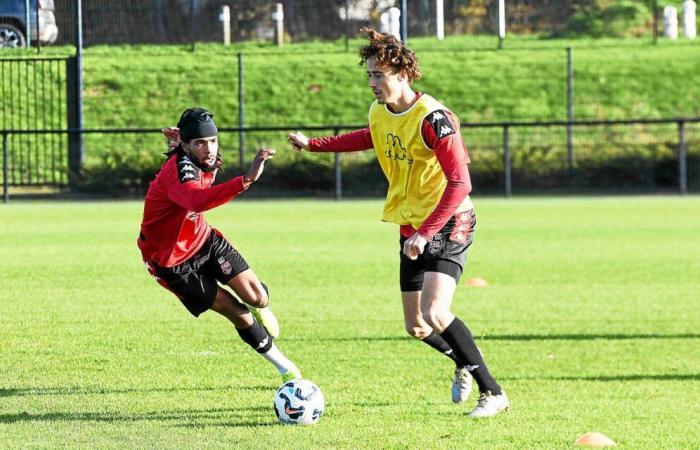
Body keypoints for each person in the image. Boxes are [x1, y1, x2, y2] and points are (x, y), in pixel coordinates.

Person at [287, 28, 509, 417]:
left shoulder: (434, 119)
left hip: (449, 221)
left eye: (380, 75)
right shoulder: (379, 112)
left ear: (404, 74)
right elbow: (368, 136)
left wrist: (426, 233)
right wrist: (313, 145)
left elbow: (461, 183)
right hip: (411, 226)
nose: (373, 82)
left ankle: (493, 393)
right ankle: (463, 360)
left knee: (437, 312)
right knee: (418, 326)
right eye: (370, 74)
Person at [138, 107, 301, 383]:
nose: (209, 148)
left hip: (203, 240)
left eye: (212, 141)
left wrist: (186, 137)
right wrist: (246, 180)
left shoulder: (203, 156)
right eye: (200, 143)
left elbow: (197, 154)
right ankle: (286, 369)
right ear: (187, 147)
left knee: (258, 297)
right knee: (236, 311)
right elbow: (196, 201)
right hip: (171, 263)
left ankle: (261, 306)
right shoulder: (178, 171)